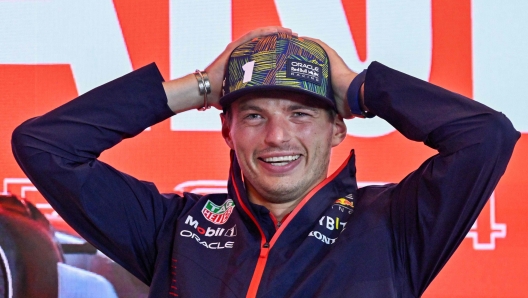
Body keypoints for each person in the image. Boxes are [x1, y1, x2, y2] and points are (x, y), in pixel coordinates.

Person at [11, 26, 519, 297]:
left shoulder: (394, 227)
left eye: (301, 114)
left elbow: (485, 136)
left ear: (338, 127)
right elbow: (45, 145)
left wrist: (362, 88)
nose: (277, 136)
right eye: (253, 116)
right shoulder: (175, 229)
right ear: (226, 129)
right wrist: (202, 87)